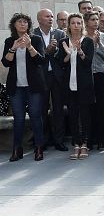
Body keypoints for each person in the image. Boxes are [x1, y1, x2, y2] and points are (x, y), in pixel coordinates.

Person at [2, 13, 47, 162]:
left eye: (25, 22)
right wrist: (13, 48)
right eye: (19, 22)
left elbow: (40, 60)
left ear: (28, 25)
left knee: (35, 116)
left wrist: (29, 47)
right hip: (16, 86)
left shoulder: (36, 39)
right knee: (19, 118)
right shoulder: (9, 41)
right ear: (14, 25)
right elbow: (6, 63)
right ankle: (17, 149)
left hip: (33, 85)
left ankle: (39, 148)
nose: (22, 24)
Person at [56, 13, 94, 160]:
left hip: (84, 84)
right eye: (73, 23)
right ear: (69, 25)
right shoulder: (63, 41)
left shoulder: (88, 41)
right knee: (72, 114)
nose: (76, 26)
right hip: (69, 83)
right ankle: (76, 144)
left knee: (85, 114)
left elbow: (88, 62)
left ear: (82, 25)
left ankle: (84, 144)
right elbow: (61, 62)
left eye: (79, 23)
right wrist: (69, 53)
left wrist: (79, 51)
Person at [33, 9, 68, 152]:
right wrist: (46, 51)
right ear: (39, 19)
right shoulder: (33, 34)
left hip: (57, 76)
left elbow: (64, 56)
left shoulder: (60, 34)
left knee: (58, 109)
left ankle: (59, 141)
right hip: (40, 77)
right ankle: (43, 140)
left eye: (52, 16)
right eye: (47, 16)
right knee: (41, 109)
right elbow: (33, 58)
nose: (51, 19)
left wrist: (56, 51)